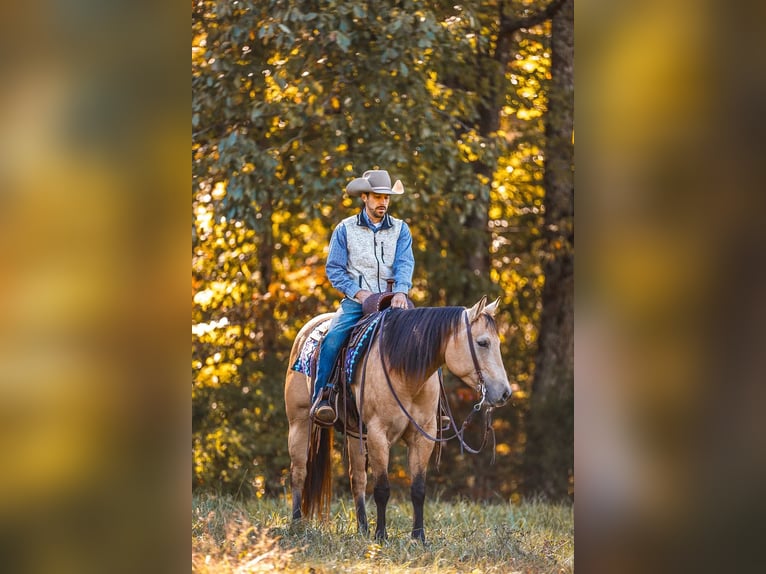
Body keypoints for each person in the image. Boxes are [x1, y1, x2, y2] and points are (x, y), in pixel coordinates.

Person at [310, 169, 415, 425]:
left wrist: (401, 290)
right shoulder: (345, 229)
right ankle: (322, 397)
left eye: (387, 198)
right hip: (357, 302)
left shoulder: (401, 229)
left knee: (426, 335)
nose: (383, 203)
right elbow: (334, 269)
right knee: (333, 338)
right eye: (378, 197)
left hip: (394, 300)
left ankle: (435, 404)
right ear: (365, 197)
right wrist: (358, 292)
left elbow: (404, 263)